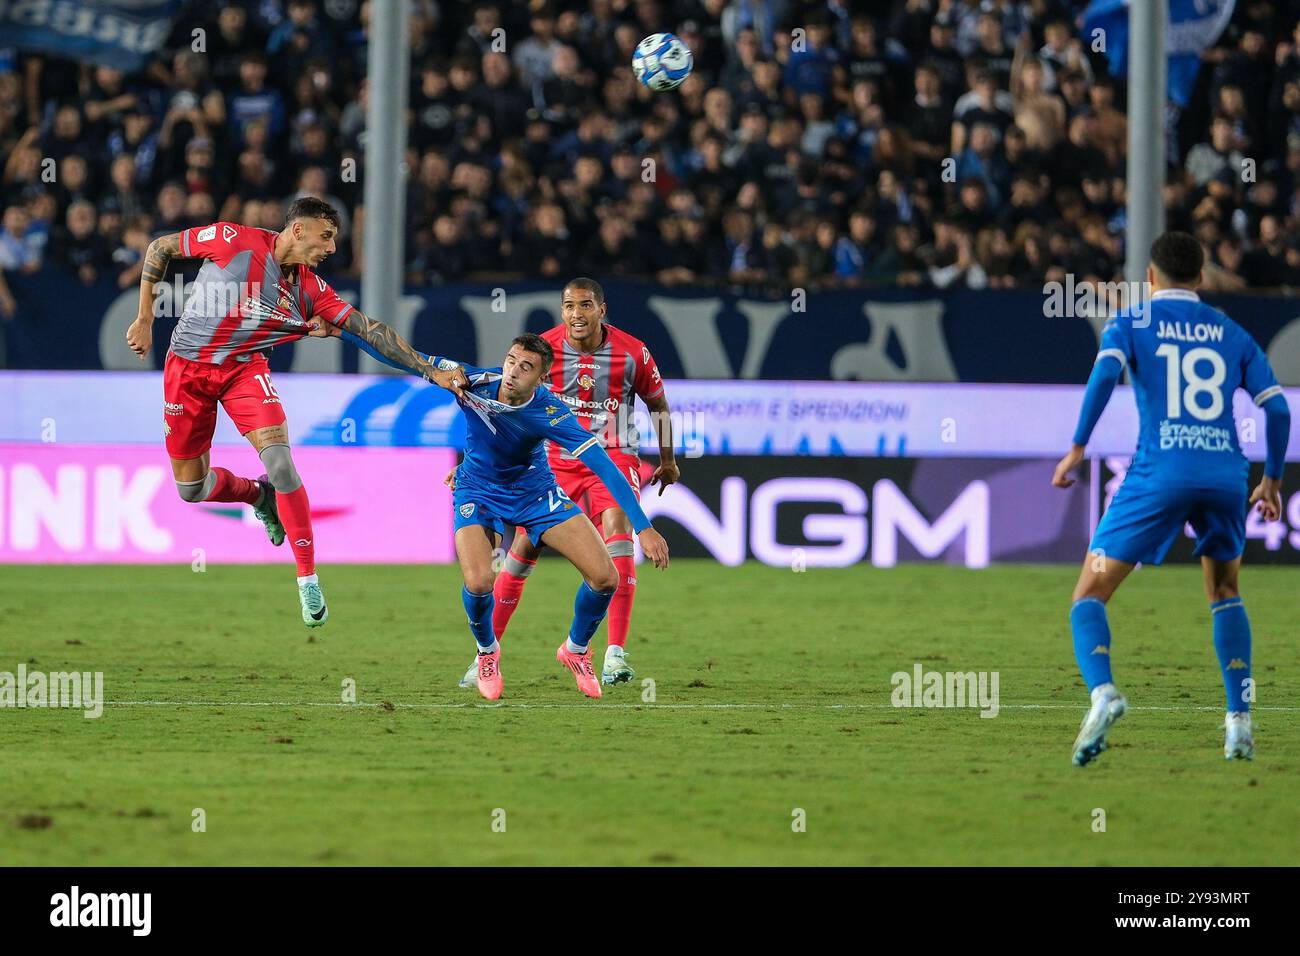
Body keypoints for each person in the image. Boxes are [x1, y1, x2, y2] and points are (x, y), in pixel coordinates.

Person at [125, 197, 460, 627]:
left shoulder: (311, 290)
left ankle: (307, 579)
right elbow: (160, 248)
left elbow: (370, 331)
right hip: (186, 372)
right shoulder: (233, 240)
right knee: (191, 489)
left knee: (281, 463)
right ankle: (257, 495)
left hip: (244, 371)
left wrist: (429, 370)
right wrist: (144, 319)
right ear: (298, 231)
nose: (332, 248)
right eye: (326, 237)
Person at [1052, 231, 1290, 765]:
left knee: (1087, 595)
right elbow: (1277, 410)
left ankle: (1104, 692)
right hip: (1226, 475)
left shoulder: (1131, 322)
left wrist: (1076, 448)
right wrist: (1271, 481)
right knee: (1226, 592)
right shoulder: (1231, 331)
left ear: (1150, 279)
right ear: (1202, 278)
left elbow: (1103, 375)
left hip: (1159, 472)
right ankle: (1238, 725)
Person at [336, 327, 670, 700]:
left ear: (542, 379)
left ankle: (575, 650)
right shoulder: (470, 380)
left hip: (536, 494)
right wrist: (342, 331)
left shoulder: (550, 412)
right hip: (477, 491)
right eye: (511, 361)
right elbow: (402, 354)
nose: (513, 371)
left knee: (606, 577)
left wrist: (644, 527)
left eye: (525, 367)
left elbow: (605, 468)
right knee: (480, 583)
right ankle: (487, 653)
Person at [455, 278, 679, 689]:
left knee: (617, 533)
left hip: (612, 450)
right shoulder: (541, 350)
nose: (577, 314)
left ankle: (613, 653)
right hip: (553, 460)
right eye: (569, 306)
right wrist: (472, 464)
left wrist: (667, 458)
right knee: (521, 551)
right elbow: (501, 408)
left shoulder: (633, 352)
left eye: (586, 305)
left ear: (602, 309)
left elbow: (657, 404)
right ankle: (484, 655)